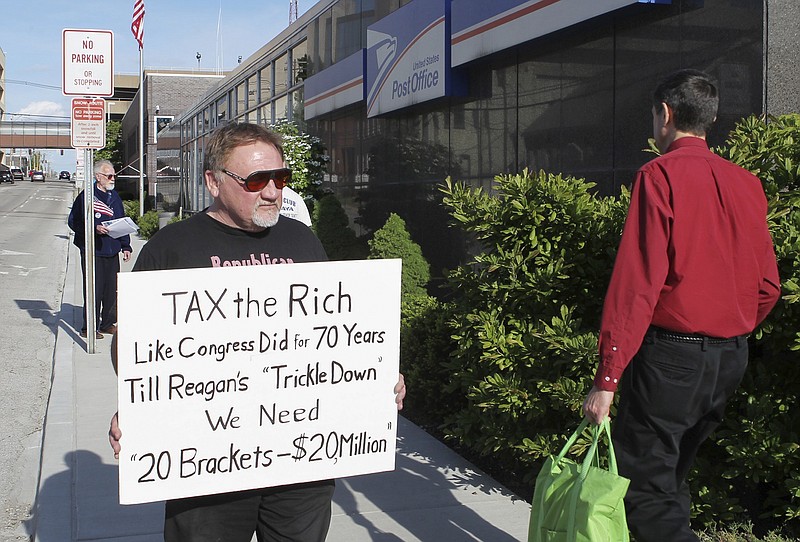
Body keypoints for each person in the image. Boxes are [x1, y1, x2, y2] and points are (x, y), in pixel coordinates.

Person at [108, 122, 406, 542]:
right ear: (213, 182)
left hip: (301, 458)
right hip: (206, 466)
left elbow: (335, 335)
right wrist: (139, 405)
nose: (272, 191)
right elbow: (135, 348)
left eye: (280, 178)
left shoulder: (303, 241)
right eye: (256, 180)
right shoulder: (170, 249)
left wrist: (376, 376)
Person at [582, 69, 781, 541]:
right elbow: (769, 286)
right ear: (709, 119)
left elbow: (637, 285)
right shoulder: (746, 183)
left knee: (645, 491)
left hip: (672, 357)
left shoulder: (658, 176)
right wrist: (729, 327)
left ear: (665, 115)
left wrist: (607, 378)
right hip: (729, 358)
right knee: (668, 480)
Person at [68, 159, 132, 339]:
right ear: (98, 177)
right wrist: (94, 228)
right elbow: (74, 221)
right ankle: (89, 327)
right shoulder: (86, 196)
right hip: (92, 251)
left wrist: (125, 245)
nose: (113, 179)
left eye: (114, 175)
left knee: (111, 289)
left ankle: (107, 323)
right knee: (94, 289)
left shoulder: (114, 197)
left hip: (112, 250)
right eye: (109, 175)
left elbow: (121, 220)